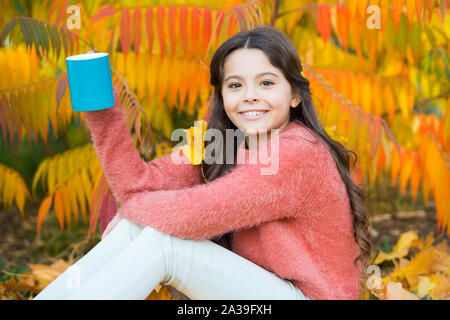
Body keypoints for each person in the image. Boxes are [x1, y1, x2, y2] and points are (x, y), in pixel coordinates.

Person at [34, 26, 371, 300]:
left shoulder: (298, 153)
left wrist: (134, 208)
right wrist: (101, 112)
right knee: (137, 227)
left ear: (295, 95)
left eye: (266, 83)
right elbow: (136, 186)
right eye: (235, 85)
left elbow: (198, 213)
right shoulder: (224, 145)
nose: (250, 95)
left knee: (161, 242)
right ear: (222, 98)